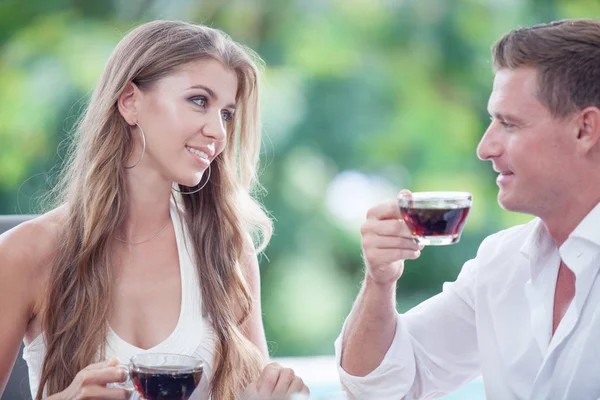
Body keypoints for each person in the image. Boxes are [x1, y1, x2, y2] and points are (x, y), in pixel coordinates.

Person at [0, 20, 309, 400]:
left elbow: (252, 391)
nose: (219, 132)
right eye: (199, 101)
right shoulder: (27, 252)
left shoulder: (224, 248)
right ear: (130, 101)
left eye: (227, 113)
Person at [335, 18, 600, 400]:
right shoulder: (501, 265)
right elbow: (376, 387)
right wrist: (380, 280)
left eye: (509, 124)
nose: (485, 148)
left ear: (585, 129)